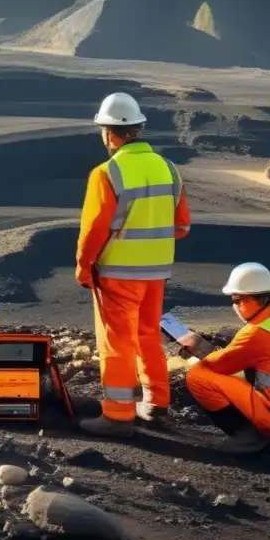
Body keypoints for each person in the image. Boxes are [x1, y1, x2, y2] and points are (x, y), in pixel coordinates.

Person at [75, 92, 192, 437]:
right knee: (146, 336)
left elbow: (94, 228)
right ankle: (155, 405)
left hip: (116, 274)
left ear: (110, 133)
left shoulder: (107, 173)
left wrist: (84, 267)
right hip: (156, 273)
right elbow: (182, 226)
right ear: (137, 129)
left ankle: (116, 415)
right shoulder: (168, 169)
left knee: (116, 341)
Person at [185, 262, 270, 454]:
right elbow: (244, 358)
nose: (234, 306)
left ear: (255, 299)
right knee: (227, 374)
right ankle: (261, 433)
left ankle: (250, 438)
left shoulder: (256, 333)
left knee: (197, 376)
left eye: (238, 300)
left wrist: (194, 353)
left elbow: (215, 366)